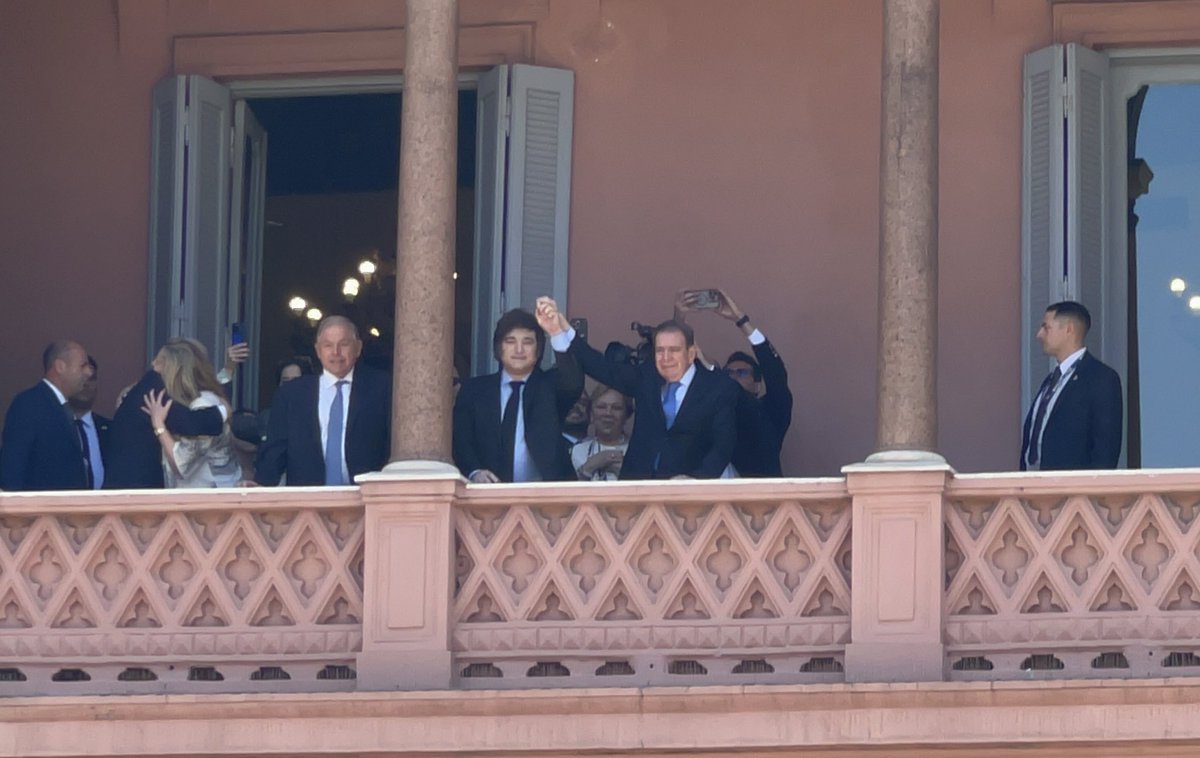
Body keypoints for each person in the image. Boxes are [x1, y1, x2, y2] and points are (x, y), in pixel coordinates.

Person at [545, 298, 739, 479]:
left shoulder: (717, 388)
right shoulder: (647, 377)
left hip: (687, 496)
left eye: (674, 350)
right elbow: (602, 368)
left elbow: (722, 447)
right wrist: (560, 329)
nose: (666, 358)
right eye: (660, 351)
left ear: (691, 354)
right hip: (637, 490)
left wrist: (698, 481)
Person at [453, 306, 583, 483]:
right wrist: (475, 471)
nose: (519, 349)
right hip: (487, 498)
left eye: (528, 342)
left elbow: (573, 381)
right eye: (510, 341)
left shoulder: (550, 387)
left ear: (538, 350)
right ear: (499, 348)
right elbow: (461, 440)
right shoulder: (474, 391)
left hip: (546, 500)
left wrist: (556, 332)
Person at [255, 316, 390, 486]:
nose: (336, 352)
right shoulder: (292, 394)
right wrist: (260, 484)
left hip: (367, 498)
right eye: (328, 345)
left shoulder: (381, 388)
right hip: (308, 503)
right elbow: (275, 451)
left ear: (358, 348)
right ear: (318, 351)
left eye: (344, 344)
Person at [676, 289, 793, 477]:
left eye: (742, 372)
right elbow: (688, 363)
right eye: (728, 372)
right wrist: (679, 320)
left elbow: (776, 373)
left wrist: (740, 319)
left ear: (757, 385)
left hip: (760, 502)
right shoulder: (712, 413)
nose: (733, 377)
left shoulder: (770, 411)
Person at [1020, 301, 1122, 471]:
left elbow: (1106, 450)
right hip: (1034, 488)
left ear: (1069, 329)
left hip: (1074, 492)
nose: (1039, 334)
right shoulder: (1050, 381)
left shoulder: (1101, 379)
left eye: (1046, 327)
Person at [141, 338, 242, 488]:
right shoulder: (203, 398)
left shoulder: (204, 403)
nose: (153, 365)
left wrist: (158, 424)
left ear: (174, 370)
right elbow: (219, 383)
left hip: (210, 501)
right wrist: (229, 367)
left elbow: (181, 465)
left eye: (159, 361)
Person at [0, 340, 95, 491]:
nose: (89, 373)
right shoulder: (29, 404)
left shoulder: (62, 407)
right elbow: (13, 469)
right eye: (83, 366)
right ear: (60, 367)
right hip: (38, 511)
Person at [571, 385, 633, 481]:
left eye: (616, 408)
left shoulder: (637, 451)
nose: (608, 413)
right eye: (601, 407)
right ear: (591, 414)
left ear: (626, 415)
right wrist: (590, 467)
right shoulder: (578, 451)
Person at [68, 355, 109, 490]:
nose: (86, 383)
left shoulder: (111, 430)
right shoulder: (51, 426)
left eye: (91, 379)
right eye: (81, 378)